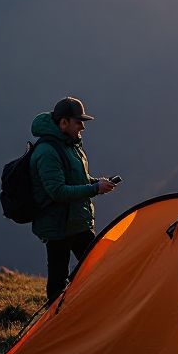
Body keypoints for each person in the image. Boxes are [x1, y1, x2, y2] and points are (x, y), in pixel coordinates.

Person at [30, 96, 116, 303]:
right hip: (58, 226)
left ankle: (92, 308)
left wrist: (97, 182)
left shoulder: (71, 146)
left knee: (97, 266)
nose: (82, 127)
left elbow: (77, 179)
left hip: (77, 222)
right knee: (59, 279)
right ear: (63, 122)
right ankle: (53, 321)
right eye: (78, 122)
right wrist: (95, 188)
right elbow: (57, 191)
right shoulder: (47, 151)